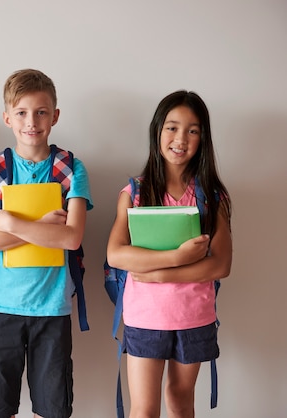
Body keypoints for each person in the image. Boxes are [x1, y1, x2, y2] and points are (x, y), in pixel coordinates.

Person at [0, 69, 93, 418]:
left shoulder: (71, 169)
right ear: (8, 118)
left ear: (55, 115)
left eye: (41, 111)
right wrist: (38, 226)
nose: (31, 121)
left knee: (52, 410)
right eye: (21, 112)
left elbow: (71, 236)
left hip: (52, 307)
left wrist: (8, 221)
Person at [106, 90, 233, 418]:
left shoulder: (212, 197)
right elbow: (117, 254)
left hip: (195, 317)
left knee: (180, 403)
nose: (181, 138)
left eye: (192, 130)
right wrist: (178, 257)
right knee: (144, 411)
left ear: (202, 138)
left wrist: (160, 274)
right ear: (157, 131)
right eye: (172, 127)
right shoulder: (135, 192)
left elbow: (220, 265)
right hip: (145, 318)